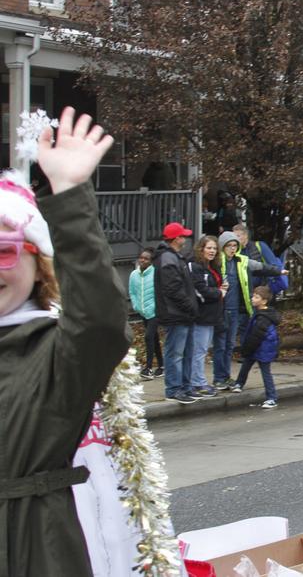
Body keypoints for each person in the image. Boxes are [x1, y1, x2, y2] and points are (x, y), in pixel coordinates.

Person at [0, 107, 131, 575]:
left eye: (4, 251)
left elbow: (99, 321)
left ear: (39, 265)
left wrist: (70, 195)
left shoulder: (53, 352)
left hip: (31, 549)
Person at [213, 230, 286, 390]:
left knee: (230, 345)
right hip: (222, 310)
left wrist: (278, 271)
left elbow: (260, 267)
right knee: (221, 344)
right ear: (222, 247)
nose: (232, 249)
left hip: (236, 310)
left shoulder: (242, 261)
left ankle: (226, 377)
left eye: (234, 245)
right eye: (229, 246)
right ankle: (219, 377)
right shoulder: (217, 263)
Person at [153, 221, 199, 403]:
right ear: (176, 238)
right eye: (183, 236)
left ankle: (184, 387)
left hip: (182, 313)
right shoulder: (168, 258)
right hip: (176, 313)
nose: (185, 239)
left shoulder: (173, 257)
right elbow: (172, 289)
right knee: (176, 352)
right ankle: (174, 389)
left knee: (185, 352)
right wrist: (189, 305)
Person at [230, 286, 281, 409]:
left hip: (261, 349)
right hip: (259, 348)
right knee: (246, 365)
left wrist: (246, 349)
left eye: (256, 297)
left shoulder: (263, 318)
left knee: (265, 372)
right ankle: (239, 384)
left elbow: (256, 336)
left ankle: (271, 397)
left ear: (264, 301)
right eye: (253, 296)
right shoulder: (261, 314)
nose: (252, 299)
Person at [189, 235, 226, 398]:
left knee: (203, 349)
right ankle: (197, 383)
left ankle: (198, 380)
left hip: (212, 314)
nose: (212, 251)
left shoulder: (212, 266)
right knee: (199, 350)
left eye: (214, 248)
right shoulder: (196, 266)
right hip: (202, 314)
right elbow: (200, 291)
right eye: (209, 248)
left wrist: (221, 288)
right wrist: (219, 292)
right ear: (201, 249)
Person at [128, 247, 163, 378]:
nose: (142, 260)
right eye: (141, 257)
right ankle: (161, 365)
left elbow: (160, 292)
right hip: (142, 311)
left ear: (151, 261)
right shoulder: (134, 274)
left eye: (146, 258)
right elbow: (132, 291)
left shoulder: (155, 273)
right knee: (154, 337)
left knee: (148, 337)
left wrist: (155, 307)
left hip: (154, 312)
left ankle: (148, 368)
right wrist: (136, 305)